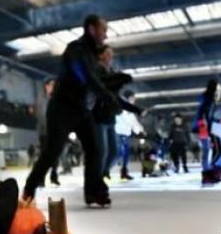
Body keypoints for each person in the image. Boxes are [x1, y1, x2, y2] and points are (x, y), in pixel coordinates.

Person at [23, 14, 120, 207]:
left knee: (95, 149)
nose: (105, 35)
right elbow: (84, 77)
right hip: (62, 109)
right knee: (52, 152)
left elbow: (100, 80)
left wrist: (116, 89)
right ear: (92, 29)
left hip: (82, 111)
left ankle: (93, 192)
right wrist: (106, 96)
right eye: (103, 30)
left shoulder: (94, 55)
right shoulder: (75, 50)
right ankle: (29, 190)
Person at [94, 45, 138, 180]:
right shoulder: (95, 70)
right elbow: (100, 87)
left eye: (111, 54)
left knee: (114, 151)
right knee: (102, 151)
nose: (111, 57)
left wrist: (136, 110)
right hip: (99, 117)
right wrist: (118, 79)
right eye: (108, 54)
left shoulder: (111, 71)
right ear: (101, 55)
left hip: (110, 117)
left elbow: (116, 98)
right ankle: (96, 178)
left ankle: (103, 172)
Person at [192, 79, 221, 184]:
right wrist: (207, 128)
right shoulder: (208, 100)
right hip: (203, 126)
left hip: (203, 125)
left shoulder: (208, 99)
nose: (219, 89)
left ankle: (208, 172)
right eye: (217, 87)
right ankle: (206, 174)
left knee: (208, 149)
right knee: (207, 150)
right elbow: (205, 114)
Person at [115, 91, 144, 180]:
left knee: (126, 154)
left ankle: (124, 172)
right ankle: (103, 172)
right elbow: (130, 120)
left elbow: (133, 121)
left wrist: (139, 130)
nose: (134, 100)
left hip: (125, 134)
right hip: (119, 133)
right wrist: (139, 129)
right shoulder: (123, 108)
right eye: (132, 98)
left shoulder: (129, 110)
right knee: (117, 154)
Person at [36, 78, 60, 186]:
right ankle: (41, 178)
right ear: (46, 86)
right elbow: (41, 116)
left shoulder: (58, 99)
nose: (53, 86)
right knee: (45, 155)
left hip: (56, 131)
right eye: (51, 84)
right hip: (45, 132)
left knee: (56, 155)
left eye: (54, 85)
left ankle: (54, 176)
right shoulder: (41, 100)